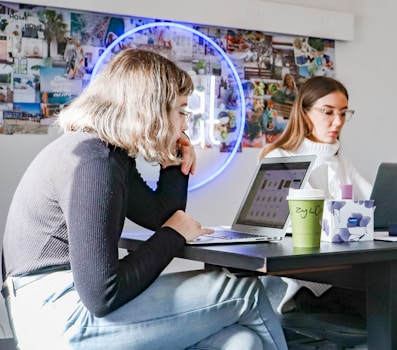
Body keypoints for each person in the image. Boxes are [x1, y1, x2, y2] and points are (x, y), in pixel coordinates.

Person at [2, 49, 287, 349]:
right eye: (180, 111)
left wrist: (175, 164)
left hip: (56, 309)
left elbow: (159, 214)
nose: (185, 125)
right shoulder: (94, 162)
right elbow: (102, 294)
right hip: (57, 315)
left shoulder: (107, 154)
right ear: (151, 109)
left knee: (241, 341)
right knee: (246, 291)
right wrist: (174, 234)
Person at [259, 76, 371, 316]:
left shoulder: (339, 160)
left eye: (343, 113)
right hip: (306, 283)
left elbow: (376, 202)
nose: (338, 121)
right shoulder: (278, 159)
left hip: (345, 271)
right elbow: (301, 225)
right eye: (328, 112)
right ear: (304, 112)